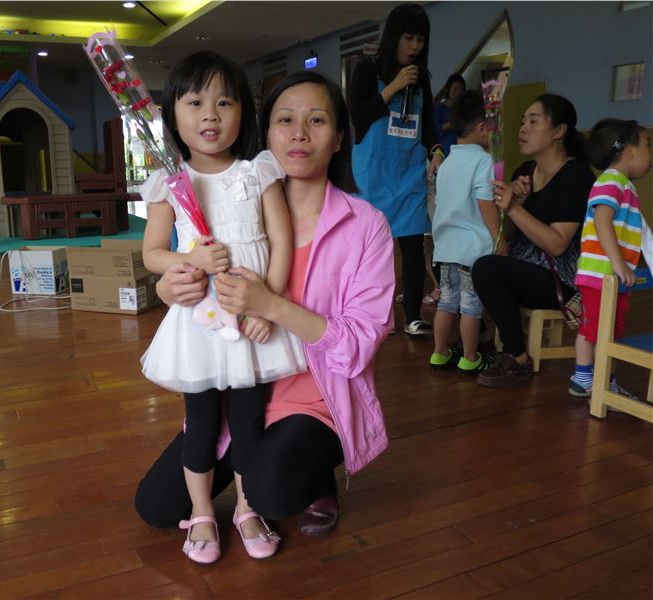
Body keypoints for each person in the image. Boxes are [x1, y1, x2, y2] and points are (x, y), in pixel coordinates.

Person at [135, 71, 394, 545]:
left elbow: (359, 345)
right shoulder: (229, 202)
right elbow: (181, 267)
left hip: (317, 398)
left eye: (317, 120)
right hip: (237, 384)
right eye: (285, 120)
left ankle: (314, 472)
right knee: (156, 505)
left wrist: (270, 305)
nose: (299, 133)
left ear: (339, 138)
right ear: (266, 133)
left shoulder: (365, 226)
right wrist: (173, 288)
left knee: (269, 490)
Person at [139, 51, 305, 563]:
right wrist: (190, 258)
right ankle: (201, 512)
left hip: (253, 325)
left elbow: (281, 243)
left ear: (242, 114)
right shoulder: (170, 183)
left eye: (224, 102)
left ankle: (248, 508)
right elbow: (152, 254)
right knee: (201, 425)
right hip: (200, 328)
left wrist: (267, 307)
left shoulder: (259, 172)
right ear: (174, 116)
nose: (210, 114)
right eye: (195, 103)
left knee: (250, 424)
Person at [472, 94, 595, 387]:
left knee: (487, 268)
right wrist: (516, 204)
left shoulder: (576, 175)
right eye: (522, 121)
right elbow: (509, 236)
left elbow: (557, 244)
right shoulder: (525, 172)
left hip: (561, 279)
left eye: (533, 121)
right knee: (473, 263)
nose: (523, 128)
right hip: (526, 268)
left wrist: (515, 209)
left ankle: (516, 357)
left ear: (559, 131)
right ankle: (491, 341)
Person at [349, 2, 442, 336]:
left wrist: (436, 150)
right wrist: (393, 86)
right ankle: (372, 314)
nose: (415, 46)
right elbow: (359, 116)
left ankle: (413, 316)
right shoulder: (366, 69)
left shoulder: (422, 79)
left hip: (409, 172)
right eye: (408, 38)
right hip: (372, 175)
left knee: (413, 248)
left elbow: (427, 124)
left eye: (421, 40)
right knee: (370, 250)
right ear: (393, 37)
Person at [568, 119, 650, 398]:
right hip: (602, 275)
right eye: (647, 145)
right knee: (596, 330)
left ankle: (604, 382)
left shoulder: (623, 184)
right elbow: (602, 220)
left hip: (611, 277)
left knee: (607, 332)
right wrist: (617, 264)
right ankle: (586, 379)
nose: (650, 153)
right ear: (629, 152)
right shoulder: (611, 180)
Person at [429, 90, 502, 374]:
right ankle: (470, 357)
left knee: (447, 303)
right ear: (482, 129)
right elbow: (485, 202)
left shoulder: (446, 163)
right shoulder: (483, 160)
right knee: (471, 306)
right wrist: (498, 238)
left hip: (445, 246)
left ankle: (439, 353)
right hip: (472, 248)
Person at [433, 73, 466, 156]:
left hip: (464, 152)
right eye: (455, 89)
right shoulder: (439, 108)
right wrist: (450, 125)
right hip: (446, 153)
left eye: (461, 90)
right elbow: (434, 131)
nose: (458, 93)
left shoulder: (465, 109)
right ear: (448, 90)